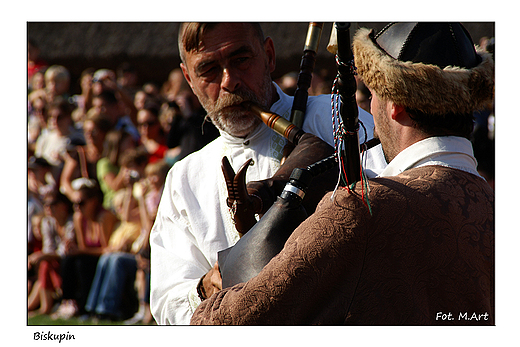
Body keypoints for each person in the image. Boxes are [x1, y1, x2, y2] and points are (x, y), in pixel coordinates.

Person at [190, 22, 495, 325]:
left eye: (372, 92)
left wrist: (211, 287)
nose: (370, 107)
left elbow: (226, 323)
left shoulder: (361, 209)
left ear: (396, 104)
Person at [150, 22, 387, 325]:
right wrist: (212, 283)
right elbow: (167, 302)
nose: (230, 82)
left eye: (241, 59)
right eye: (208, 69)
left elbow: (391, 218)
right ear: (188, 78)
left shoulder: (336, 119)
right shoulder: (184, 179)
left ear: (269, 55)